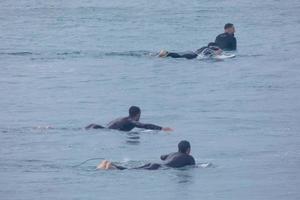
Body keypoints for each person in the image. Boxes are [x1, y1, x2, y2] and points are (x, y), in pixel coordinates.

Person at [97, 140, 195, 170]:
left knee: (133, 169)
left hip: (154, 163)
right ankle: (111, 167)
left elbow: (162, 157)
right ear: (188, 150)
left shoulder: (173, 153)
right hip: (159, 167)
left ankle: (111, 165)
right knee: (132, 171)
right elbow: (193, 167)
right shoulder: (189, 158)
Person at [85, 106, 173, 132]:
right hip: (97, 129)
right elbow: (144, 126)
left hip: (95, 126)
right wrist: (161, 128)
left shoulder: (123, 119)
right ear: (138, 114)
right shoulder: (130, 121)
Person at [158, 42, 222, 59]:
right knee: (179, 57)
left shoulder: (204, 47)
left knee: (179, 56)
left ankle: (167, 53)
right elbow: (216, 54)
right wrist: (218, 52)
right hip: (192, 56)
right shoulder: (209, 49)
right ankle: (167, 53)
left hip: (191, 54)